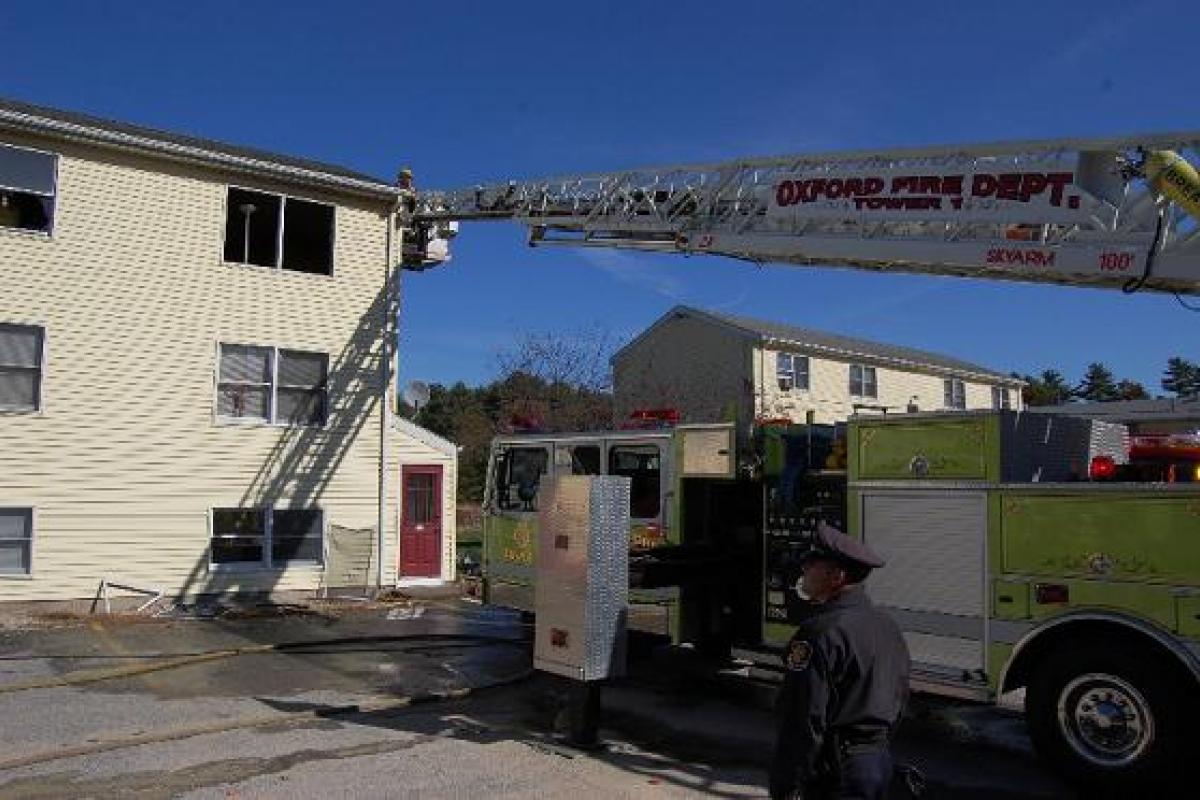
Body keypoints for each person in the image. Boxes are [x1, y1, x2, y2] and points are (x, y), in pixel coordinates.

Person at [770, 522, 910, 800]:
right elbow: (900, 697)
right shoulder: (887, 626)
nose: (804, 570)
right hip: (878, 764)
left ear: (835, 576)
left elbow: (804, 718)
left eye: (812, 564)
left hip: (836, 771)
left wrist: (787, 787)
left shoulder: (820, 632)